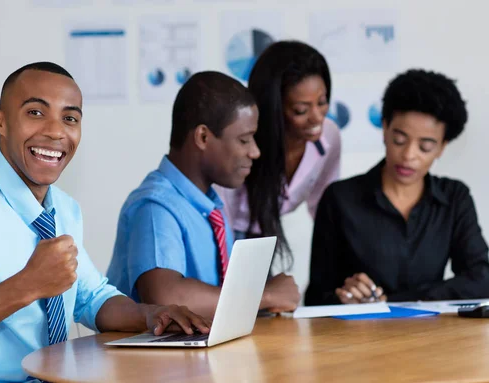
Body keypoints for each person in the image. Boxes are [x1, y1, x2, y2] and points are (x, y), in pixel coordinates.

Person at [0, 62, 210, 382]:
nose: (56, 131)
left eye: (69, 118)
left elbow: (91, 297)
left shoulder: (63, 209)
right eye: (35, 112)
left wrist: (151, 314)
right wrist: (26, 285)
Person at [106, 71, 301, 318]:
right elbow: (165, 297)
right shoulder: (156, 207)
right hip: (149, 357)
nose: (255, 152)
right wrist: (265, 296)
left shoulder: (210, 206)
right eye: (244, 140)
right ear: (203, 137)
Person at [304, 69, 489, 306]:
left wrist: (397, 300)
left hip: (433, 336)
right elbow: (316, 297)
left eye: (425, 146)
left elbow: (481, 278)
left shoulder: (454, 198)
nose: (408, 155)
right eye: (399, 140)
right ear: (384, 129)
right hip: (359, 338)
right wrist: (344, 297)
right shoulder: (340, 199)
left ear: (442, 147)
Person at [216, 40, 341, 272]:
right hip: (231, 234)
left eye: (322, 103)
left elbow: (326, 205)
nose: (317, 117)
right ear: (274, 107)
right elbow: (223, 217)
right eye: (301, 110)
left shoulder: (329, 136)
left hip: (266, 234)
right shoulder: (245, 145)